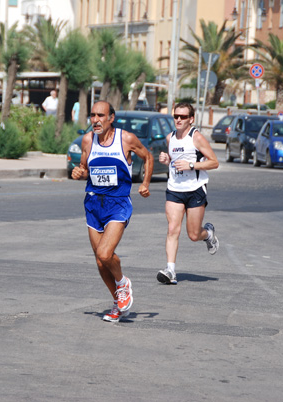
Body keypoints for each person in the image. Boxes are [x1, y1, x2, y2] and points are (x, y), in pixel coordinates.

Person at [71, 100, 154, 323]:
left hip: (118, 203)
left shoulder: (125, 139)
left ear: (111, 118)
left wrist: (145, 183)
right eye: (92, 115)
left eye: (100, 115)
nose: (95, 120)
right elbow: (85, 168)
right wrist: (79, 173)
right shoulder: (88, 140)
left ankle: (123, 282)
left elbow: (148, 157)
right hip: (93, 204)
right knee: (100, 261)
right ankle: (119, 303)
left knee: (105, 254)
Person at [157, 102, 220, 285]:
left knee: (193, 235)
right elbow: (174, 159)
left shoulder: (197, 137)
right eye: (176, 116)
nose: (178, 120)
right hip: (175, 189)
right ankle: (170, 270)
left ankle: (207, 234)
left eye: (183, 117)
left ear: (191, 119)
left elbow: (214, 162)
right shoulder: (170, 138)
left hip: (195, 189)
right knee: (172, 229)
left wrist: (191, 165)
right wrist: (166, 159)